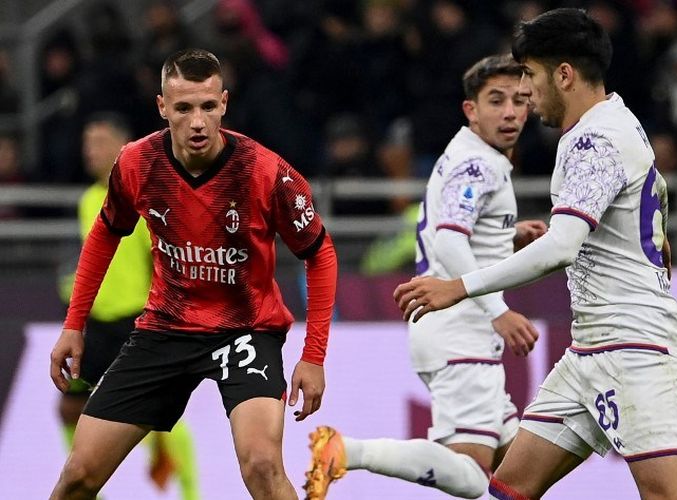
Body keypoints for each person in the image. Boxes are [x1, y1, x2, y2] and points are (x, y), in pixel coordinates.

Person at [394, 8, 677, 500]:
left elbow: (561, 248)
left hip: (634, 346)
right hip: (591, 348)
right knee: (509, 488)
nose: (527, 94)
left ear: (564, 74)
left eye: (531, 77)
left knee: (668, 494)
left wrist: (459, 287)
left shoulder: (595, 140)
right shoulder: (615, 123)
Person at [49, 48, 338, 500]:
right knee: (78, 476)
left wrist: (314, 354)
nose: (198, 121)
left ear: (224, 103)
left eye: (207, 106)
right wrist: (74, 324)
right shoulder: (136, 163)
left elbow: (320, 255)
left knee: (262, 465)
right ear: (163, 108)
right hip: (165, 328)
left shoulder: (268, 173)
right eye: (183, 108)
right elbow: (104, 236)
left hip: (245, 330)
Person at [304, 55, 547, 499]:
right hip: (461, 329)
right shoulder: (477, 165)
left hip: (456, 329)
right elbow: (449, 241)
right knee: (473, 477)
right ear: (470, 109)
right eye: (496, 100)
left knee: (523, 464)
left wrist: (506, 235)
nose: (510, 111)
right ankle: (346, 451)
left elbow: (460, 231)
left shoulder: (477, 158)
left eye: (519, 100)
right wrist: (498, 312)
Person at [56, 113, 200, 499]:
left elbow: (161, 260)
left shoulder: (143, 197)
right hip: (100, 328)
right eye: (87, 143)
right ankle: (90, 490)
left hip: (137, 324)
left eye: (99, 142)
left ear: (121, 147)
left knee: (158, 415)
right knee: (71, 407)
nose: (90, 150)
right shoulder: (87, 199)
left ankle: (191, 493)